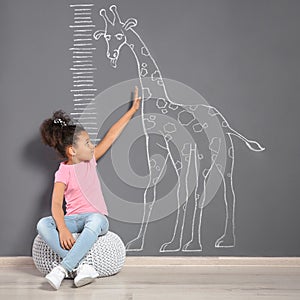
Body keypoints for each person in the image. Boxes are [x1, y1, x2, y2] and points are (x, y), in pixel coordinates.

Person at [36, 87, 141, 290]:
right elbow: (56, 205)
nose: (92, 146)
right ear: (72, 150)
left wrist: (131, 111)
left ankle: (63, 268)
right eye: (87, 142)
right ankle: (82, 266)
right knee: (42, 224)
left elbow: (110, 137)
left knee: (95, 219)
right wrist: (64, 229)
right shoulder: (62, 173)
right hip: (74, 220)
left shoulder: (90, 161)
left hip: (95, 220)